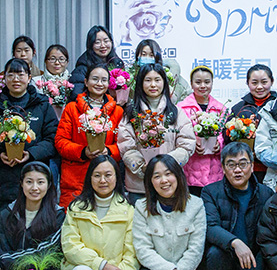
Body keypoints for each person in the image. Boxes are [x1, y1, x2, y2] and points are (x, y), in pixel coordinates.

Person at [61, 156, 138, 270]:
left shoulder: (128, 210)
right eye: (97, 175)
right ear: (90, 178)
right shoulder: (77, 208)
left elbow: (132, 254)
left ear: (117, 178)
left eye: (108, 175)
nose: (102, 180)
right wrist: (101, 265)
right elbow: (70, 246)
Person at [202, 142, 273, 270]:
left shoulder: (266, 195)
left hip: (254, 262)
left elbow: (271, 238)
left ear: (252, 165)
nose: (238, 170)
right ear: (223, 168)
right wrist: (235, 242)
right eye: (231, 165)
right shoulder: (211, 192)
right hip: (226, 257)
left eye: (243, 163)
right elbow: (210, 227)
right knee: (214, 254)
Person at [0, 58, 59, 213]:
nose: (16, 79)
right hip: (1, 178)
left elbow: (52, 139)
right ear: (4, 78)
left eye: (20, 74)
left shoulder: (43, 105)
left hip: (34, 176)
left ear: (29, 77)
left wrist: (31, 154)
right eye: (11, 75)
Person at [132, 156, 206, 270]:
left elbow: (195, 249)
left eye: (168, 174)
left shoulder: (196, 204)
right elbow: (143, 249)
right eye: (156, 176)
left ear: (179, 176)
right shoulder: (141, 207)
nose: (164, 180)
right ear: (150, 182)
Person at [117, 62, 196, 197]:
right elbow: (126, 147)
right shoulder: (131, 113)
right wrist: (142, 167)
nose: (153, 85)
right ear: (141, 83)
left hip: (170, 184)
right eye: (148, 80)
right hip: (139, 186)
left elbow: (187, 144)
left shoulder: (176, 112)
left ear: (164, 83)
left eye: (157, 80)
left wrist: (165, 166)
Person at [55, 64, 125, 208]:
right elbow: (60, 142)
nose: (99, 83)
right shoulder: (71, 108)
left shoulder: (117, 111)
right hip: (75, 177)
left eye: (104, 80)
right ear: (86, 82)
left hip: (106, 178)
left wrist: (109, 151)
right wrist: (83, 151)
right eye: (95, 79)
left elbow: (124, 145)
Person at [178, 65, 227, 196]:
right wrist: (192, 145)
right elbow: (178, 135)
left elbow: (225, 135)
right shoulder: (181, 108)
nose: (203, 86)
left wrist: (219, 145)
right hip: (190, 170)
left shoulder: (221, 109)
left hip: (214, 171)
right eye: (198, 82)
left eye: (207, 82)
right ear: (191, 84)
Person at [227, 63, 277, 182]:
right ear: (248, 83)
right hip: (244, 170)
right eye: (254, 83)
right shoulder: (238, 109)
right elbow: (227, 138)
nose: (259, 87)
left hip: (273, 169)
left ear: (272, 81)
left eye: (264, 82)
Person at [69, 25, 125, 99]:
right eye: (97, 42)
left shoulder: (117, 63)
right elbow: (77, 94)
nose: (103, 45)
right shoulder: (82, 68)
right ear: (91, 45)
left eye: (106, 41)